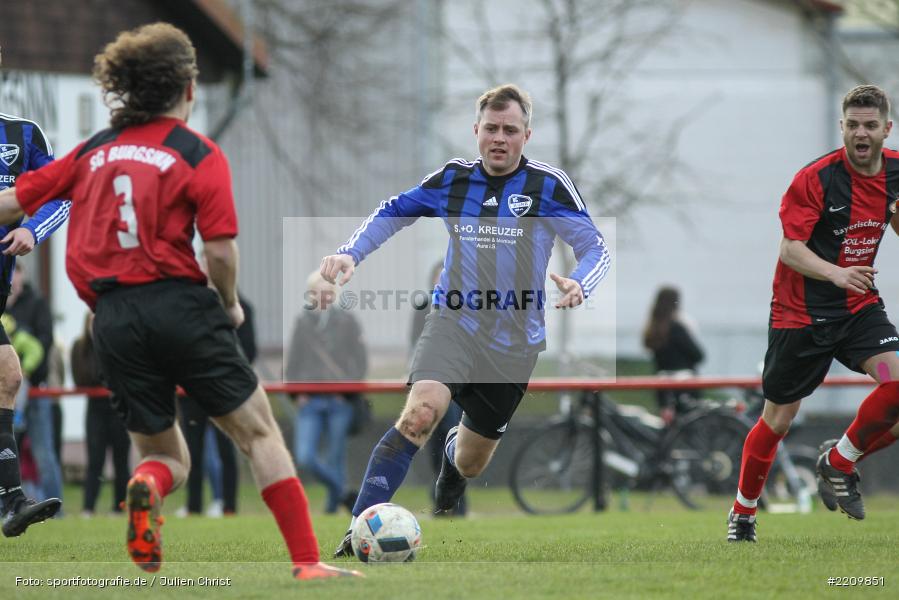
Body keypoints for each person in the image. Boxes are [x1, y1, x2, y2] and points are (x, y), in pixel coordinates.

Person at [0, 24, 359, 580]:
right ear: (187, 89)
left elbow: (15, 201)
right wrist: (230, 305)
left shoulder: (91, 151)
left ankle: (145, 488)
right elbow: (218, 252)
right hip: (178, 306)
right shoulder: (195, 151)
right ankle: (307, 563)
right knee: (259, 433)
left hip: (111, 323)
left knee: (165, 456)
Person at [321, 84, 612, 556]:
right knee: (420, 413)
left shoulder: (548, 185)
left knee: (472, 462)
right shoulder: (454, 180)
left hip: (515, 346)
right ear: (477, 131)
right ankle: (357, 533)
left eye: (510, 130)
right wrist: (351, 253)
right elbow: (394, 210)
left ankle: (456, 456)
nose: (500, 138)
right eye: (491, 128)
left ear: (526, 135)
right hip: (453, 322)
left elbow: (594, 246)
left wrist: (582, 282)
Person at [727, 84, 899, 543]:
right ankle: (743, 512)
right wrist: (837, 273)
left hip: (859, 310)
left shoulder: (897, 172)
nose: (861, 134)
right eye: (853, 125)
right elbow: (790, 250)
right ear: (842, 127)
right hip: (800, 315)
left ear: (886, 128)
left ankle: (838, 461)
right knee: (777, 421)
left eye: (870, 125)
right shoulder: (817, 178)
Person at [0, 46, 71, 537]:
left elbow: (63, 191)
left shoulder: (21, 135)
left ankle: (10, 501)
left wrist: (33, 230)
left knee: (7, 376)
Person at [286, 271, 366, 514]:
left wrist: (347, 391)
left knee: (336, 456)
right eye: (319, 291)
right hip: (309, 400)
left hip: (339, 399)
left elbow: (360, 361)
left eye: (328, 291)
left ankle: (333, 508)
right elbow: (293, 362)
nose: (323, 296)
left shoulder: (348, 321)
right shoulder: (302, 322)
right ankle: (343, 492)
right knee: (305, 456)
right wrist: (298, 393)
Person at [178, 294, 254, 518]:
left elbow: (249, 349)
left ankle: (228, 506)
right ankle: (194, 506)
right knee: (193, 450)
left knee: (226, 449)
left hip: (225, 391)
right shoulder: (192, 306)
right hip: (193, 392)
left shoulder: (243, 307)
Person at [412, 261, 467, 516]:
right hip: (430, 381)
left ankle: (459, 503)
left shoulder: (467, 304)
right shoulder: (423, 307)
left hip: (455, 384)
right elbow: (416, 343)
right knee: (433, 442)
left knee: (452, 437)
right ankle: (440, 499)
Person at [9, 263, 64, 512]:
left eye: (15, 278)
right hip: (6, 392)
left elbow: (45, 343)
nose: (12, 284)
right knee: (8, 451)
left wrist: (26, 369)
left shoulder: (37, 304)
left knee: (44, 454)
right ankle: (9, 506)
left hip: (36, 390)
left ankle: (56, 509)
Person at [71, 312, 130, 517]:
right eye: (91, 322)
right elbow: (83, 377)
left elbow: (121, 375)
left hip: (118, 408)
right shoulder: (80, 347)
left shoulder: (117, 344)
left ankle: (120, 506)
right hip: (95, 409)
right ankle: (88, 507)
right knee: (95, 461)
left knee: (121, 460)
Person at [641, 286, 704, 424]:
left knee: (669, 428)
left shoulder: (654, 328)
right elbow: (699, 355)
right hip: (684, 385)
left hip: (663, 386)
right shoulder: (677, 327)